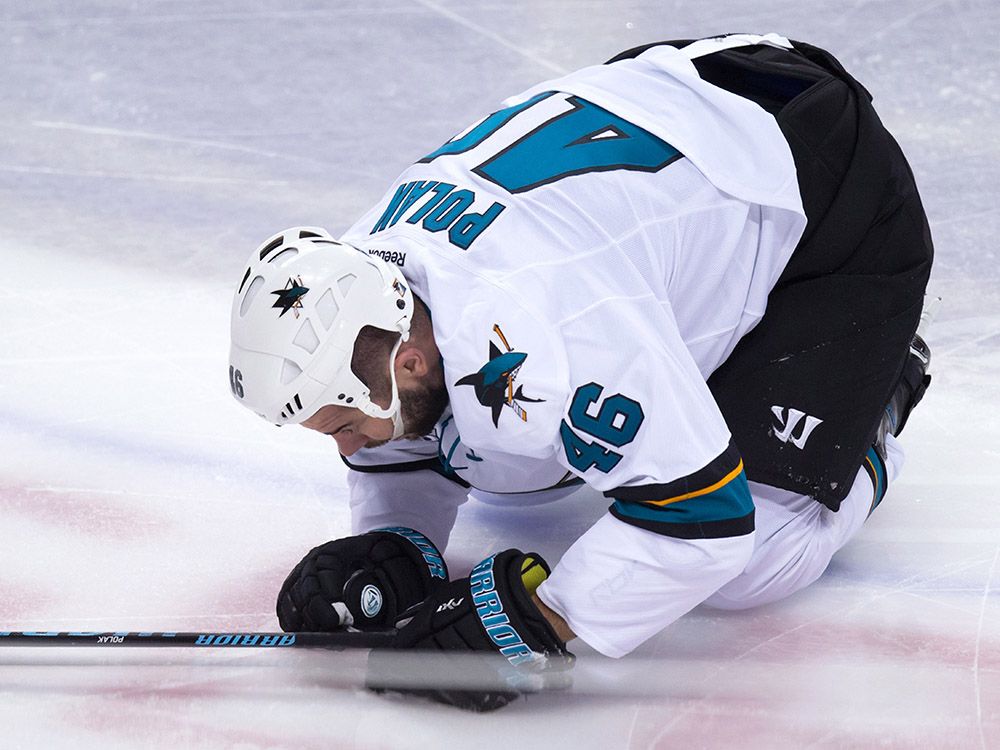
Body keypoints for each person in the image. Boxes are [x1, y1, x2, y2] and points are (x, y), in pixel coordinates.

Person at [227, 33, 934, 710]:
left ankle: (880, 396)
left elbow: (705, 523)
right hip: (681, 105)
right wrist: (397, 543)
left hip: (828, 192)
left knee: (756, 560)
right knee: (504, 465)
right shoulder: (369, 279)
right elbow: (413, 409)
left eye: (343, 425)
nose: (348, 449)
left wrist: (546, 620)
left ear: (408, 359)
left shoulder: (556, 334)